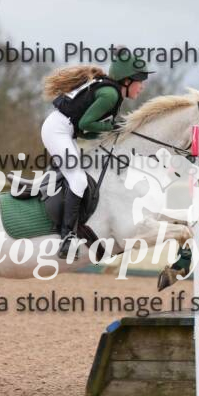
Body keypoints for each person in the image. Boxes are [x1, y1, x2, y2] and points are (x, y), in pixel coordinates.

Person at [40, 49, 154, 259]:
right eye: (140, 81)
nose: (142, 86)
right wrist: (112, 127)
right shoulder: (110, 94)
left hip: (65, 130)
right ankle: (67, 237)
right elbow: (85, 123)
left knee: (80, 174)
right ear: (126, 80)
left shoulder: (111, 92)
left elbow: (86, 130)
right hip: (57, 130)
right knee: (78, 180)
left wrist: (108, 131)